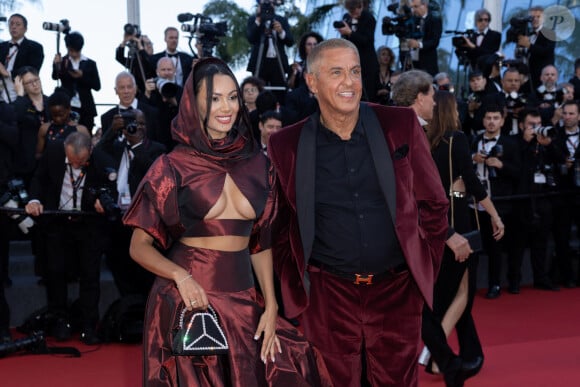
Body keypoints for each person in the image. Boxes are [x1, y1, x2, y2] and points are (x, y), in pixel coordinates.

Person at [122, 57, 332, 386]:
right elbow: (138, 247)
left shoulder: (259, 164)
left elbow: (259, 242)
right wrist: (181, 276)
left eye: (232, 97)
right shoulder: (171, 166)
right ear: (195, 104)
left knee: (294, 365)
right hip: (190, 299)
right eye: (215, 98)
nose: (227, 107)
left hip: (245, 297)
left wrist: (272, 303)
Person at [268, 38, 449, 386]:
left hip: (396, 291)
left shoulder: (399, 124)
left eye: (354, 71)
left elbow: (434, 204)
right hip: (328, 295)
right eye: (336, 72)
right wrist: (299, 287)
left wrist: (420, 266)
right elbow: (280, 225)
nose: (349, 82)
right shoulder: (285, 144)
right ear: (312, 82)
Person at [420, 91, 504, 387]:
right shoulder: (456, 138)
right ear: (450, 110)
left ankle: (457, 354)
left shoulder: (424, 140)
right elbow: (472, 181)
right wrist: (495, 215)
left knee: (450, 293)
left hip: (433, 225)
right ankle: (433, 358)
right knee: (460, 292)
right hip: (457, 222)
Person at [24, 131, 117, 345]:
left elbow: (110, 192)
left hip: (87, 224)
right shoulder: (53, 151)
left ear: (90, 152)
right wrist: (35, 199)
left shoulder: (103, 161)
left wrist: (101, 204)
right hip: (57, 221)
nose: (76, 166)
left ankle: (88, 326)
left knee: (90, 275)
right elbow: (39, 177)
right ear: (65, 149)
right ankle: (60, 321)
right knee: (55, 272)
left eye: (81, 162)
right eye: (72, 162)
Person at [471, 106, 521, 298]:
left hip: (498, 203)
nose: (491, 121)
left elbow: (519, 172)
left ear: (502, 120)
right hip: (474, 204)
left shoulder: (510, 143)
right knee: (473, 246)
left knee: (495, 248)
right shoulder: (474, 139)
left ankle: (495, 284)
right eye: (488, 117)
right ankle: (471, 285)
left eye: (495, 118)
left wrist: (501, 165)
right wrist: (473, 159)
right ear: (483, 120)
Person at [246, 0, 294, 103]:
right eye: (264, 4)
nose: (267, 7)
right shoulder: (253, 20)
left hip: (278, 64)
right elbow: (251, 38)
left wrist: (281, 31)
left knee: (280, 94)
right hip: (260, 63)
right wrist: (258, 19)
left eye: (270, 4)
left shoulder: (281, 20)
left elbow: (290, 41)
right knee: (258, 92)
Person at [51, 31, 101, 131]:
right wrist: (55, 65)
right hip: (67, 105)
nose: (73, 53)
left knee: (86, 134)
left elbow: (97, 86)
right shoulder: (63, 60)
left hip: (86, 107)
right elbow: (55, 77)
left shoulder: (90, 63)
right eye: (71, 50)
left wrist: (82, 76)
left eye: (76, 51)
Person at [335, 0, 379, 101]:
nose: (357, 12)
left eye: (359, 8)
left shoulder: (368, 18)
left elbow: (366, 40)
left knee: (369, 93)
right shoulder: (346, 18)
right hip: (351, 61)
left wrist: (350, 32)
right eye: (353, 11)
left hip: (367, 62)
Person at [100, 71, 159, 142]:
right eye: (122, 88)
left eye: (129, 87)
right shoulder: (106, 117)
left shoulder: (152, 113)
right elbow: (103, 147)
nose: (126, 91)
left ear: (136, 89)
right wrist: (112, 130)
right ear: (116, 91)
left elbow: (160, 145)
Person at [0, 13, 44, 103]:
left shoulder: (35, 47)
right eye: (11, 24)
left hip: (21, 90)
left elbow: (32, 70)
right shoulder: (1, 46)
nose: (13, 27)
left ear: (25, 29)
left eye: (18, 24)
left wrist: (7, 74)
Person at [35, 90, 91, 160]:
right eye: (54, 115)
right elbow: (38, 154)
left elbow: (89, 154)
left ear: (69, 109)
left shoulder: (80, 130)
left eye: (61, 115)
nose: (58, 119)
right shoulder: (45, 128)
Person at [143, 57, 182, 151]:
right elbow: (143, 112)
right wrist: (147, 93)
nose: (166, 73)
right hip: (156, 140)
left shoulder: (181, 90)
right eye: (163, 70)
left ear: (174, 71)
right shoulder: (151, 90)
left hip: (177, 141)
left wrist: (173, 101)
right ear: (157, 71)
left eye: (169, 69)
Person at [516, 6, 556, 90]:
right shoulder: (528, 34)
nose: (535, 19)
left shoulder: (550, 33)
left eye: (538, 16)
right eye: (532, 17)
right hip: (529, 78)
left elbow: (546, 51)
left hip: (543, 78)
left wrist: (529, 45)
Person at [407, 0, 442, 76]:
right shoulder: (412, 20)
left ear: (424, 5)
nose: (413, 10)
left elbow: (434, 41)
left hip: (428, 63)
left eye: (416, 6)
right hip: (413, 63)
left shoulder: (434, 20)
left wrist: (419, 44)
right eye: (412, 7)